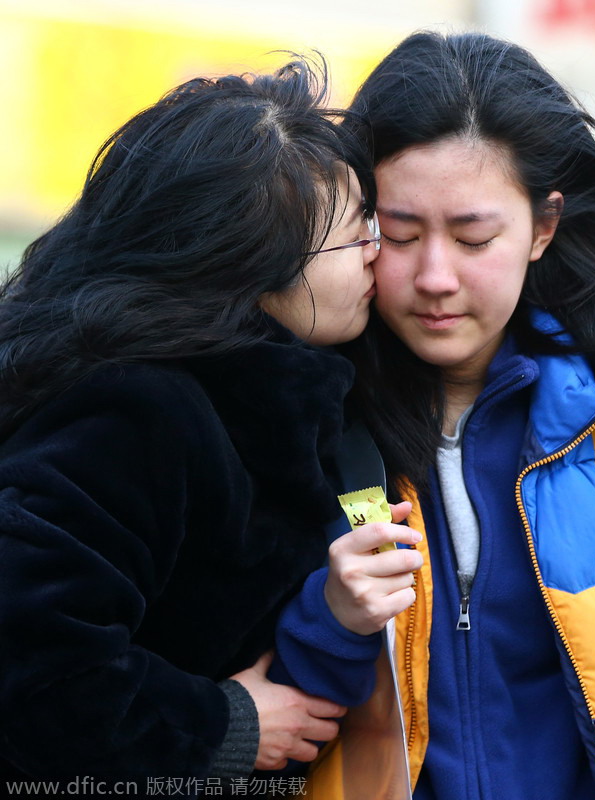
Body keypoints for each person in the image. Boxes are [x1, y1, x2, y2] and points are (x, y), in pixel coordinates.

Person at [274, 31, 595, 800]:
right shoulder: (302, 420)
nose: (433, 276)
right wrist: (331, 616)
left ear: (543, 227)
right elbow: (271, 722)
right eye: (397, 234)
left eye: (472, 237)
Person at [0, 56, 409, 793]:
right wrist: (220, 725)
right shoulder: (133, 410)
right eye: (357, 237)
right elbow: (32, 656)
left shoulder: (292, 392)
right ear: (253, 264)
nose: (381, 255)